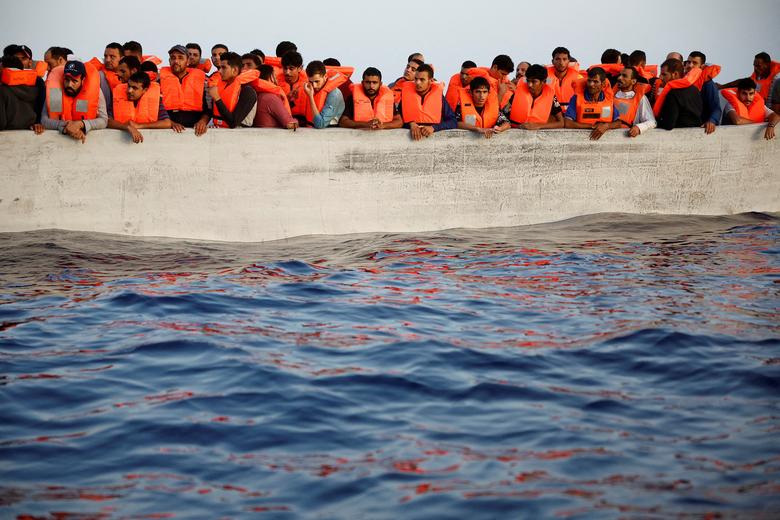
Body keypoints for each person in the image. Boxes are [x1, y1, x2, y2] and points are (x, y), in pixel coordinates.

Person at [39, 60, 107, 142]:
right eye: (66, 80)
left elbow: (104, 120)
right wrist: (66, 126)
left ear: (83, 80)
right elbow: (44, 120)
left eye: (74, 81)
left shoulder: (95, 91)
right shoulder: (55, 92)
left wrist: (81, 124)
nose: (69, 85)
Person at [158, 45, 210, 135]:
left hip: (195, 130)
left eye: (180, 58)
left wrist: (203, 121)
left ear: (188, 61)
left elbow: (208, 108)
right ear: (170, 61)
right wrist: (170, 123)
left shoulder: (202, 80)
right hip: (169, 130)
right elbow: (156, 107)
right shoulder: (160, 81)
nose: (176, 61)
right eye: (173, 58)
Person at [108, 71, 172, 143]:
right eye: (129, 86)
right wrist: (127, 127)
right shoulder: (117, 98)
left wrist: (139, 126)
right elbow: (108, 121)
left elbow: (167, 123)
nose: (129, 91)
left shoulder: (155, 101)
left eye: (135, 88)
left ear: (145, 90)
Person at [398, 63, 457, 140]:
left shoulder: (439, 98)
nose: (418, 83)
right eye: (416, 79)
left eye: (422, 80)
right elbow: (397, 119)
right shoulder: (406, 96)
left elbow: (453, 121)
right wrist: (411, 124)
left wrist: (433, 128)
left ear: (430, 80)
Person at [563, 67, 621, 140]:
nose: (591, 84)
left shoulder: (608, 99)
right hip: (580, 140)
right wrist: (592, 126)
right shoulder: (576, 98)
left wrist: (606, 126)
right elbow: (568, 123)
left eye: (595, 81)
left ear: (603, 84)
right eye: (589, 81)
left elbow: (618, 123)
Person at [504, 64, 563, 129]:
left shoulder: (551, 96)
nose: (530, 85)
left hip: (537, 134)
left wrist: (538, 126)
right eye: (528, 81)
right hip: (515, 131)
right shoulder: (519, 92)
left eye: (534, 81)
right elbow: (504, 112)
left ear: (543, 82)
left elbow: (561, 123)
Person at [208, 51, 257, 128]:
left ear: (235, 70)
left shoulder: (248, 91)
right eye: (220, 67)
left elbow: (233, 122)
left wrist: (217, 98)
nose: (219, 71)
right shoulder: (219, 86)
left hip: (238, 137)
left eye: (223, 67)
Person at [653, 58, 703, 130]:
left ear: (675, 74)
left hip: (679, 137)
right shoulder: (695, 89)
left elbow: (669, 125)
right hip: (697, 135)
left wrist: (654, 123)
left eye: (664, 74)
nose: (661, 77)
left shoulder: (673, 93)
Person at [684, 51, 722, 134]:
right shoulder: (680, 80)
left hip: (701, 128)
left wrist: (712, 121)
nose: (690, 65)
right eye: (688, 62)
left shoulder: (708, 84)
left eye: (694, 63)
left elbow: (716, 108)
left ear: (702, 66)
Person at [613, 67, 656, 137]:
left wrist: (639, 127)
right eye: (619, 75)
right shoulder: (610, 96)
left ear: (633, 81)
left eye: (624, 76)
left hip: (627, 139)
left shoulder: (641, 98)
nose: (619, 78)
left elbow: (652, 122)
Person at [300, 60, 345, 128]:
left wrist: (310, 97)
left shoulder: (334, 94)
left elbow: (320, 124)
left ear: (325, 77)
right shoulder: (309, 87)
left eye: (317, 81)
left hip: (328, 131)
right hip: (309, 128)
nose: (314, 86)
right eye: (311, 82)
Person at [0, 55, 40, 131]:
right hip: (31, 136)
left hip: (7, 139)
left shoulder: (2, 90)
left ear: (2, 68)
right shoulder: (34, 89)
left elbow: (1, 123)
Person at [252, 65, 297, 129]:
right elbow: (290, 124)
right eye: (275, 76)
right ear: (271, 77)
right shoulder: (271, 98)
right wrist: (297, 122)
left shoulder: (256, 95)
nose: (277, 79)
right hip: (272, 137)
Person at [280, 51, 307, 119]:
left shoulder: (309, 84)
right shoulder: (275, 83)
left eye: (291, 68)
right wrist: (287, 99)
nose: (287, 72)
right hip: (282, 121)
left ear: (300, 68)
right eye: (285, 68)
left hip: (305, 124)